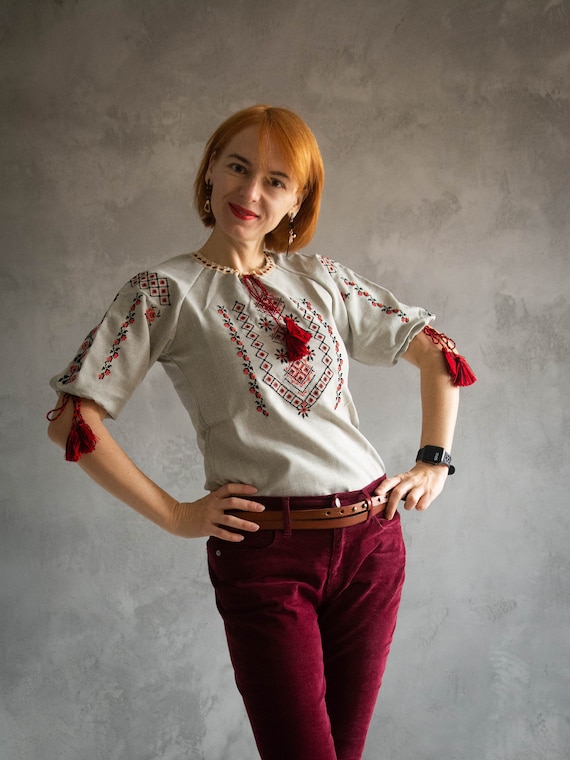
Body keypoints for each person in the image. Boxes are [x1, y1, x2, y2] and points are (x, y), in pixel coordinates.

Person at [47, 105, 476, 760]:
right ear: (210, 172)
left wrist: (434, 461)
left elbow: (437, 351)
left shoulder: (321, 278)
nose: (250, 192)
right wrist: (178, 515)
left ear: (297, 199)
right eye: (238, 167)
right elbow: (73, 419)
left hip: (372, 544)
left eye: (276, 181)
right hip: (267, 556)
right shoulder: (163, 291)